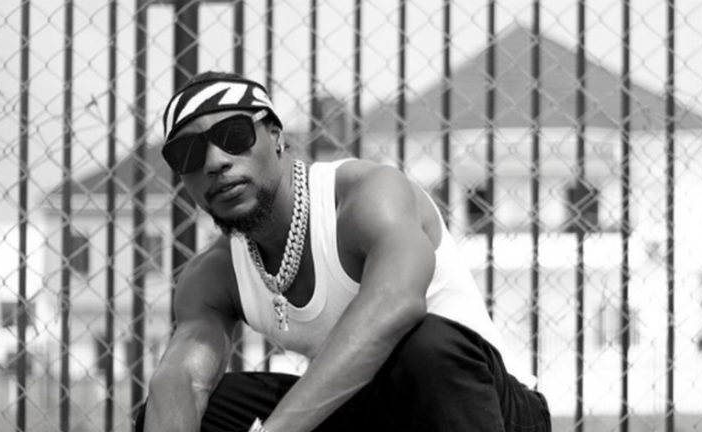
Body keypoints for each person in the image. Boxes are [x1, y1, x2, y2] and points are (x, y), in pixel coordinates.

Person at [136, 70, 551, 432]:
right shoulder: (214, 275)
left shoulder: (365, 196)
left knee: (424, 345)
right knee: (179, 409)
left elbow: (397, 304)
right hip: (372, 412)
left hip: (488, 407)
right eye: (188, 154)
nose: (215, 161)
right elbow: (182, 380)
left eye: (233, 136)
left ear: (276, 136)